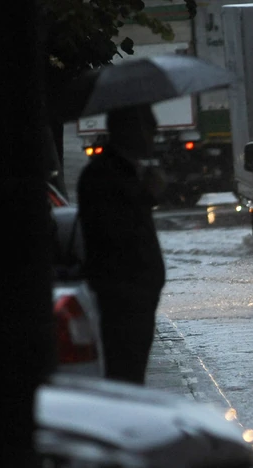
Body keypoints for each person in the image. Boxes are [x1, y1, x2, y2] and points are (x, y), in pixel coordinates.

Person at [77, 103, 166, 384]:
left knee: (133, 371)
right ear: (131, 131)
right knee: (125, 373)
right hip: (122, 298)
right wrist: (146, 195)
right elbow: (115, 233)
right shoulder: (104, 174)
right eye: (150, 128)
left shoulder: (126, 172)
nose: (154, 135)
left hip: (136, 297)